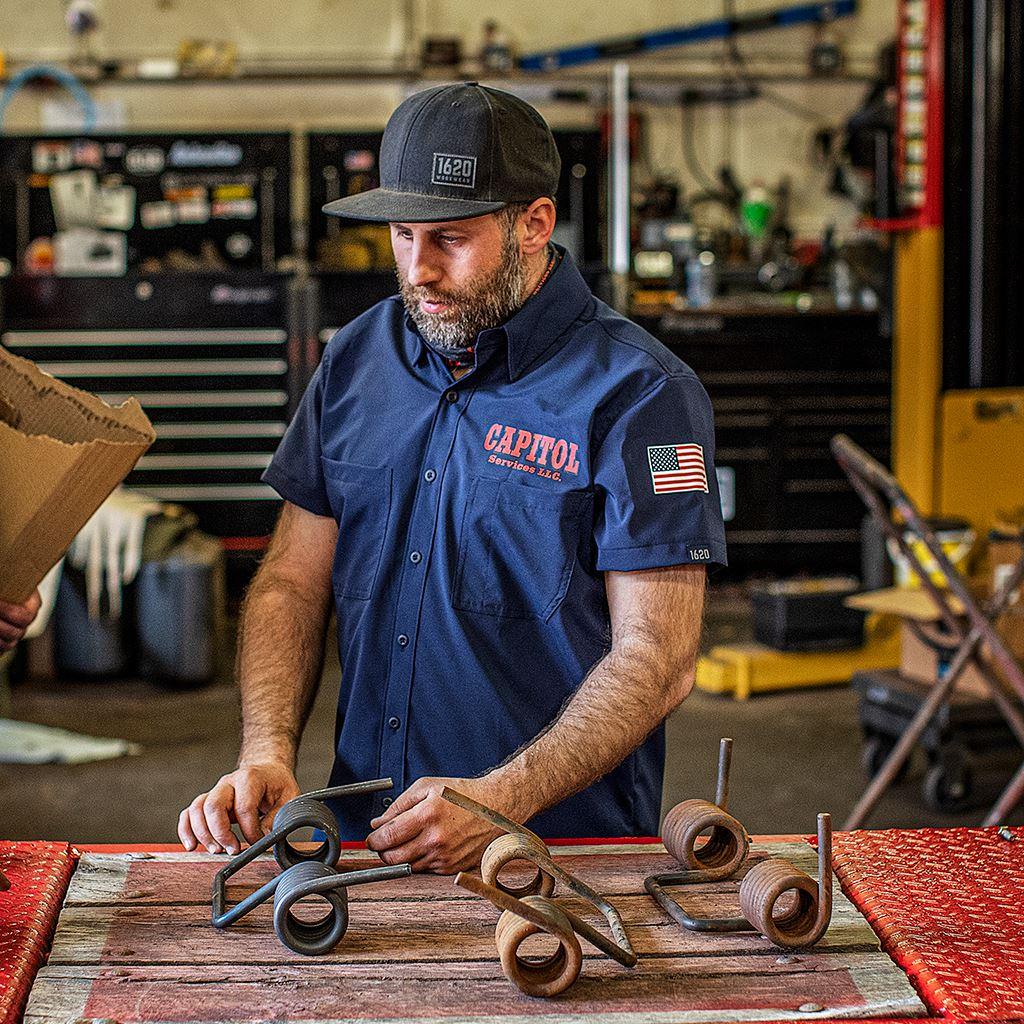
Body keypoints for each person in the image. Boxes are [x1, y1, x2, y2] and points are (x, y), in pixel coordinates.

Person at [178, 82, 727, 873]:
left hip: (559, 854)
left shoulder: (640, 393)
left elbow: (658, 657)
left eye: (449, 239)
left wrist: (501, 799)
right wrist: (266, 749)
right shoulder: (359, 358)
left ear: (535, 224)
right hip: (364, 844)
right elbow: (291, 584)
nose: (419, 271)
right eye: (402, 237)